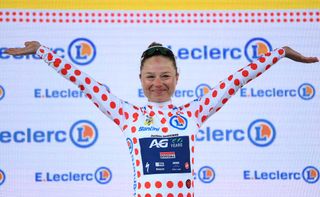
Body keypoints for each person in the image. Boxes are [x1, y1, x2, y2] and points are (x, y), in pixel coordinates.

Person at [5, 42, 318, 197]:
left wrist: (280, 53)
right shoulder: (127, 114)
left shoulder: (193, 112)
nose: (158, 83)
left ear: (177, 77)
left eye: (165, 75)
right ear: (140, 78)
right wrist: (42, 51)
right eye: (150, 76)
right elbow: (82, 81)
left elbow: (237, 80)